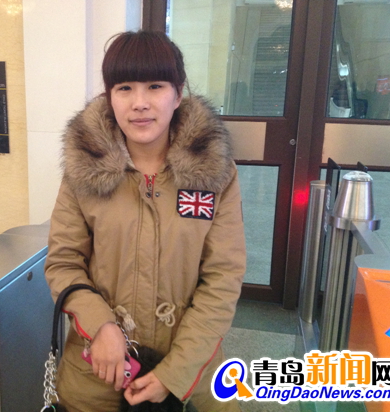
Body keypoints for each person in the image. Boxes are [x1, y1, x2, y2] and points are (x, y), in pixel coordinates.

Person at [45, 30, 246, 412]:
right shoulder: (84, 170)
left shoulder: (214, 171)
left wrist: (175, 373)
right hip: (99, 373)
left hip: (193, 375)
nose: (140, 103)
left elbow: (223, 276)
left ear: (178, 93)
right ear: (109, 96)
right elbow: (63, 262)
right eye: (124, 88)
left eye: (155, 86)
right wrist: (101, 325)